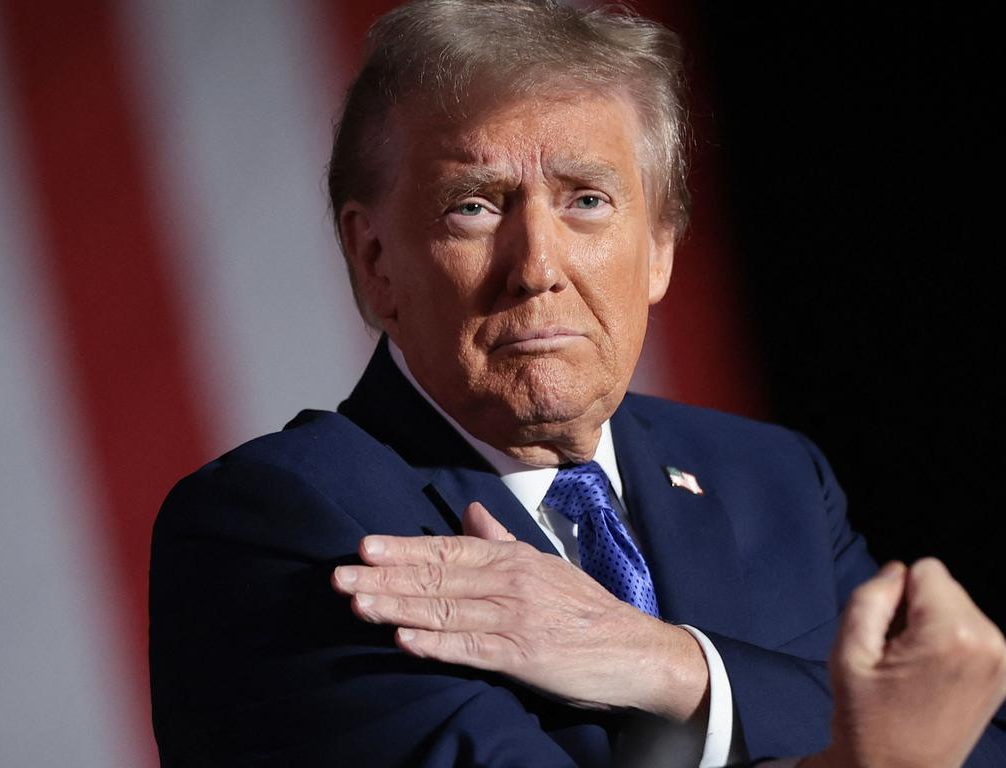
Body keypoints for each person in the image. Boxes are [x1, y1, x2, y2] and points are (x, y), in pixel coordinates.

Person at [148, 1, 1006, 765]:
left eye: (587, 199)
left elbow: (969, 739)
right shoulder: (277, 526)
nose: (539, 268)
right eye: (474, 206)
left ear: (661, 248)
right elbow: (905, 736)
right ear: (375, 261)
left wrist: (667, 662)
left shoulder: (772, 477)